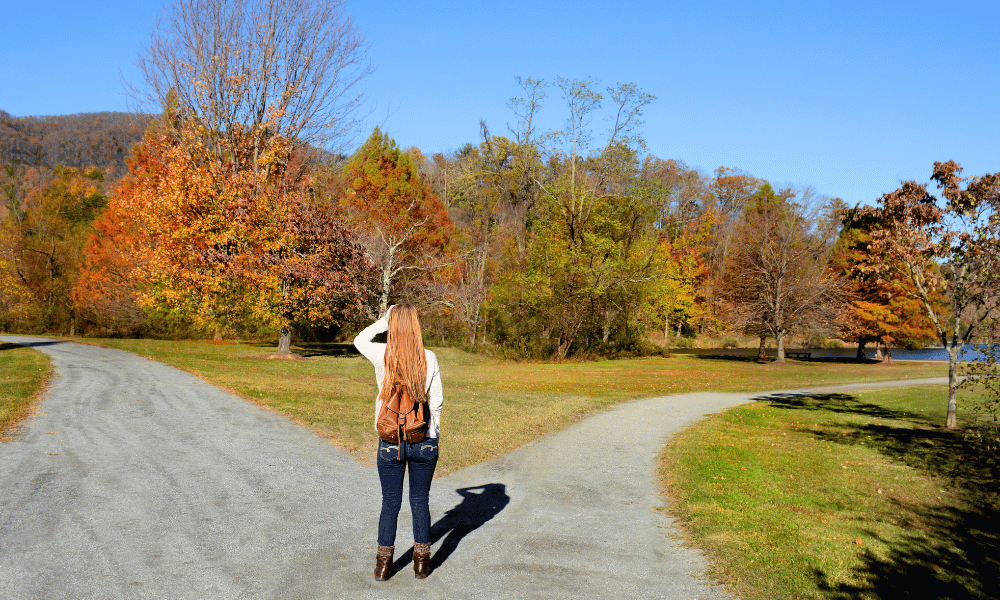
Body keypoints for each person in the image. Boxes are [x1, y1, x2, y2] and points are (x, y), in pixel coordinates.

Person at [354, 303, 443, 580]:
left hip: (390, 438)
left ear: (393, 325)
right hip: (423, 439)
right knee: (420, 500)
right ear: (416, 326)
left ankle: (383, 567)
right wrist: (432, 434)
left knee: (390, 502)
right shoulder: (429, 357)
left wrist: (385, 320)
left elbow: (359, 340)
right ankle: (421, 564)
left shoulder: (383, 354)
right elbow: (437, 402)